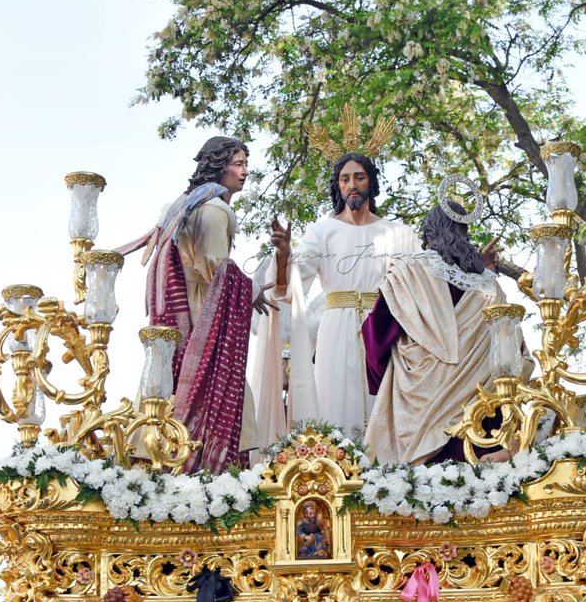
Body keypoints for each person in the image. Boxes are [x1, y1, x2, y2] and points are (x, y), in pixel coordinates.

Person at [122, 135, 274, 471]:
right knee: (215, 401)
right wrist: (251, 291)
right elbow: (216, 271)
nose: (244, 171)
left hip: (184, 321)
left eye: (246, 164)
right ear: (218, 166)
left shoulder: (186, 206)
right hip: (202, 324)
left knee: (163, 396)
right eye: (238, 164)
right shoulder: (213, 211)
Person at [255, 152, 420, 440]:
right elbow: (291, 287)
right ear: (338, 186)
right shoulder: (322, 231)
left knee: (385, 396)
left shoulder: (398, 233)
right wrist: (284, 255)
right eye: (345, 179)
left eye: (359, 177)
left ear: (371, 182)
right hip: (336, 327)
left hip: (382, 326)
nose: (352, 185)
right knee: (335, 398)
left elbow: (423, 280)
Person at [362, 201, 531, 465]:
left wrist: (380, 374)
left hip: (415, 407)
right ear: (464, 234)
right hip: (477, 425)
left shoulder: (408, 272)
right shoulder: (489, 288)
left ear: (428, 235)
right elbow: (513, 355)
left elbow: (376, 338)